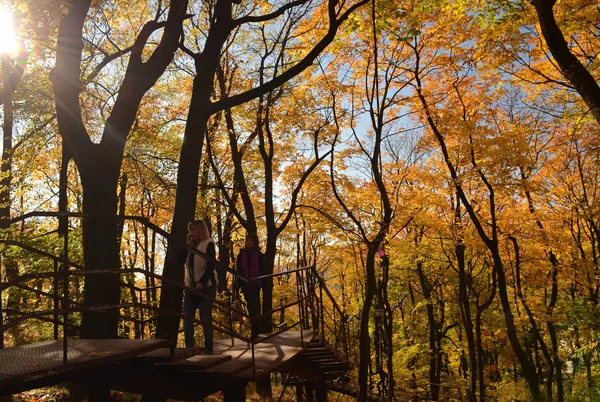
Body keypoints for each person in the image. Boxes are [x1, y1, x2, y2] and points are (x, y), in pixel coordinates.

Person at [177, 219, 218, 354]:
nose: (191, 233)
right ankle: (189, 349)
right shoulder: (191, 246)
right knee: (188, 317)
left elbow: (211, 266)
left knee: (205, 318)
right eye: (190, 231)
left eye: (193, 230)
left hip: (206, 287)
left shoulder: (209, 244)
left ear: (200, 230)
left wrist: (203, 282)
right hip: (190, 288)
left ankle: (209, 349)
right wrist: (187, 245)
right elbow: (179, 260)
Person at [235, 232, 265, 339]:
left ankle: (255, 331)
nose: (248, 243)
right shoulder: (241, 254)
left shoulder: (260, 255)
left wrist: (262, 283)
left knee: (253, 306)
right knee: (250, 306)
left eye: (251, 241)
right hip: (245, 284)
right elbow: (238, 270)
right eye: (247, 240)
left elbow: (263, 270)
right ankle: (256, 329)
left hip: (256, 284)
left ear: (255, 242)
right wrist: (238, 285)